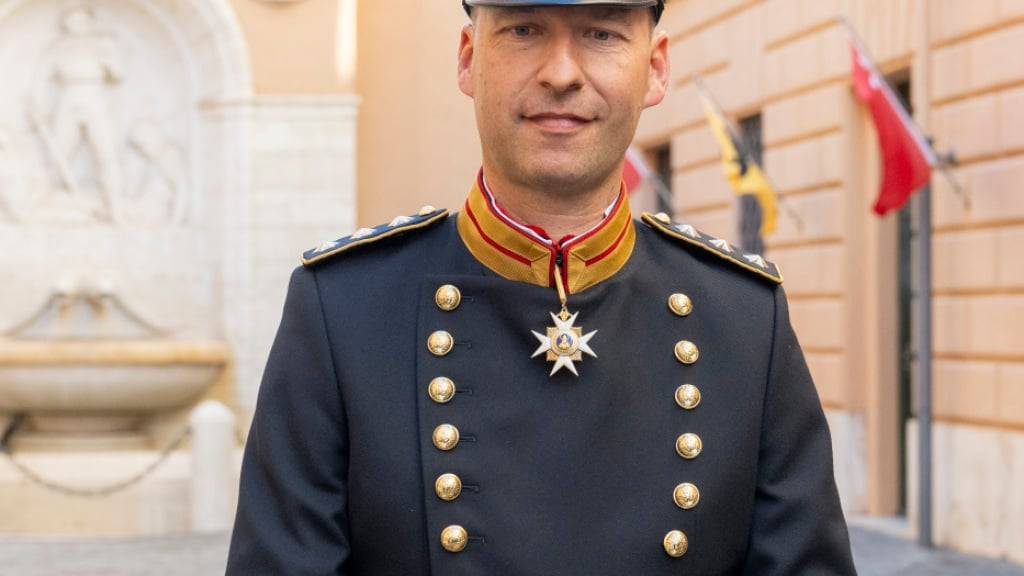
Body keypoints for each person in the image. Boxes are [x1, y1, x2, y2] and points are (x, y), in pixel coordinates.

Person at [226, 1, 858, 574]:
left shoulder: (745, 321)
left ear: (656, 68)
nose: (561, 73)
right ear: (469, 58)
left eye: (602, 34)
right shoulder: (343, 312)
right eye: (524, 30)